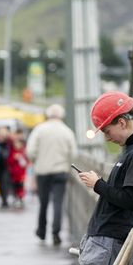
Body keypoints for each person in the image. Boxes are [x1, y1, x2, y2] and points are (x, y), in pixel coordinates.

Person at [75, 91, 133, 265]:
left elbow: (128, 199)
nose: (107, 138)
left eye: (107, 131)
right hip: (104, 238)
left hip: (109, 239)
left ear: (122, 123)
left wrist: (98, 184)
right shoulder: (131, 151)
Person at [26, 104, 76, 245]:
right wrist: (66, 165)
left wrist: (37, 162)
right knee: (58, 202)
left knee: (43, 203)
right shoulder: (67, 131)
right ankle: (56, 233)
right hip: (60, 172)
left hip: (42, 172)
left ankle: (41, 231)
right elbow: (73, 154)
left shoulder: (39, 130)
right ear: (61, 115)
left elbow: (30, 151)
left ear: (48, 115)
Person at [0, 127, 21, 208]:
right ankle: (3, 199)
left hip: (7, 165)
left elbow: (16, 148)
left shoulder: (9, 141)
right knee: (0, 183)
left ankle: (7, 199)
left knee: (6, 182)